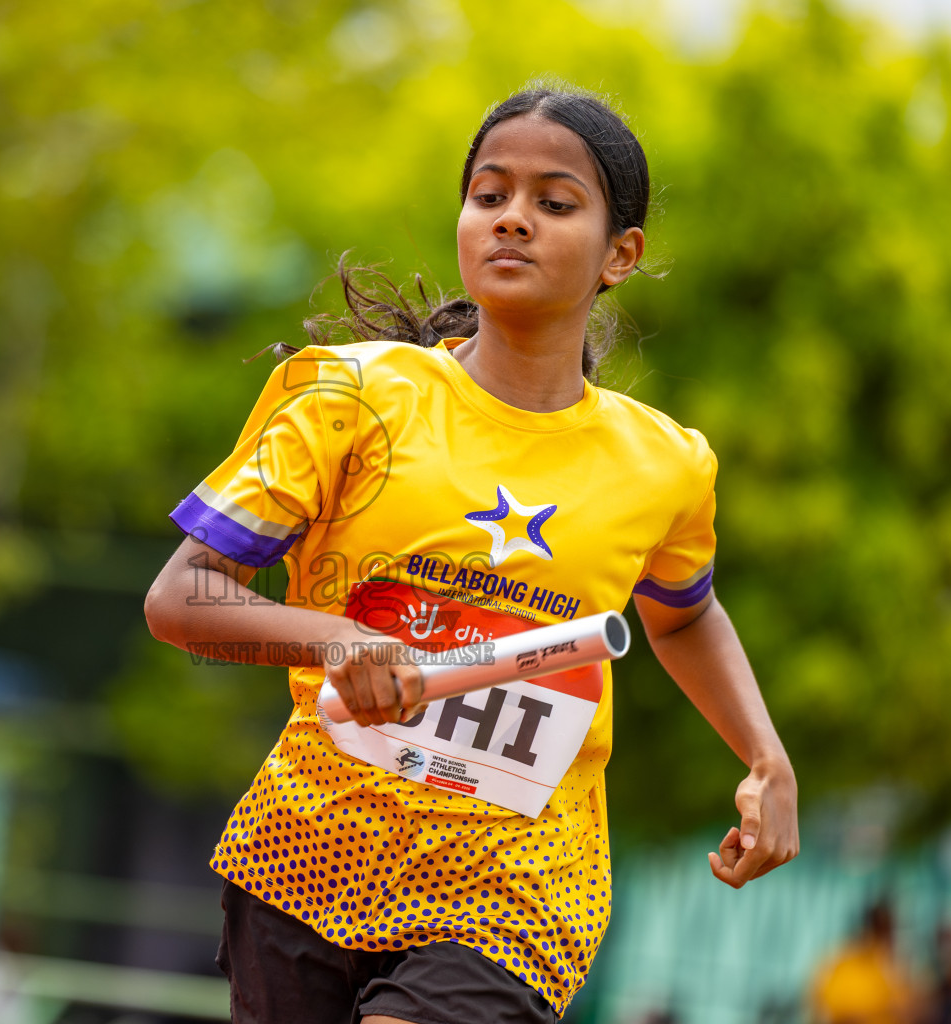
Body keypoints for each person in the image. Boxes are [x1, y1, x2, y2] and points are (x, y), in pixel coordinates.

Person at [144, 82, 800, 1022]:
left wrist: (765, 756)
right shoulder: (352, 401)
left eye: (554, 202)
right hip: (306, 855)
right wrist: (340, 641)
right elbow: (182, 599)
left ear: (623, 255)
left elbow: (684, 612)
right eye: (490, 196)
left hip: (518, 888)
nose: (514, 221)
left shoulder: (665, 464)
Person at [808, 900, 919, 1024]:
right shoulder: (845, 965)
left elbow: (909, 1009)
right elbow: (830, 1010)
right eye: (884, 930)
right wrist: (881, 1008)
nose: (890, 938)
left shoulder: (892, 968)